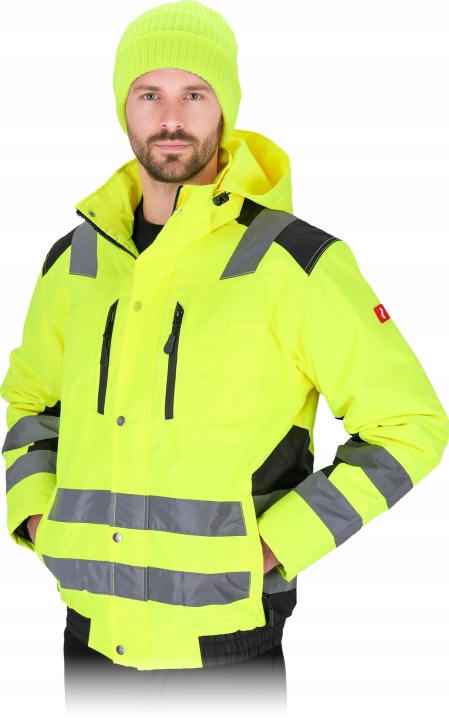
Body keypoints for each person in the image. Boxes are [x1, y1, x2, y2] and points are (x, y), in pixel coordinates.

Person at [1, 0, 448, 716]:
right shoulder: (75, 261)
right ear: (124, 108)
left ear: (224, 109)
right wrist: (34, 516)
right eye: (149, 94)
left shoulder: (294, 261)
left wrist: (274, 546)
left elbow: (409, 426)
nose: (170, 117)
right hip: (89, 636)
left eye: (194, 94)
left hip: (226, 648)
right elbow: (32, 403)